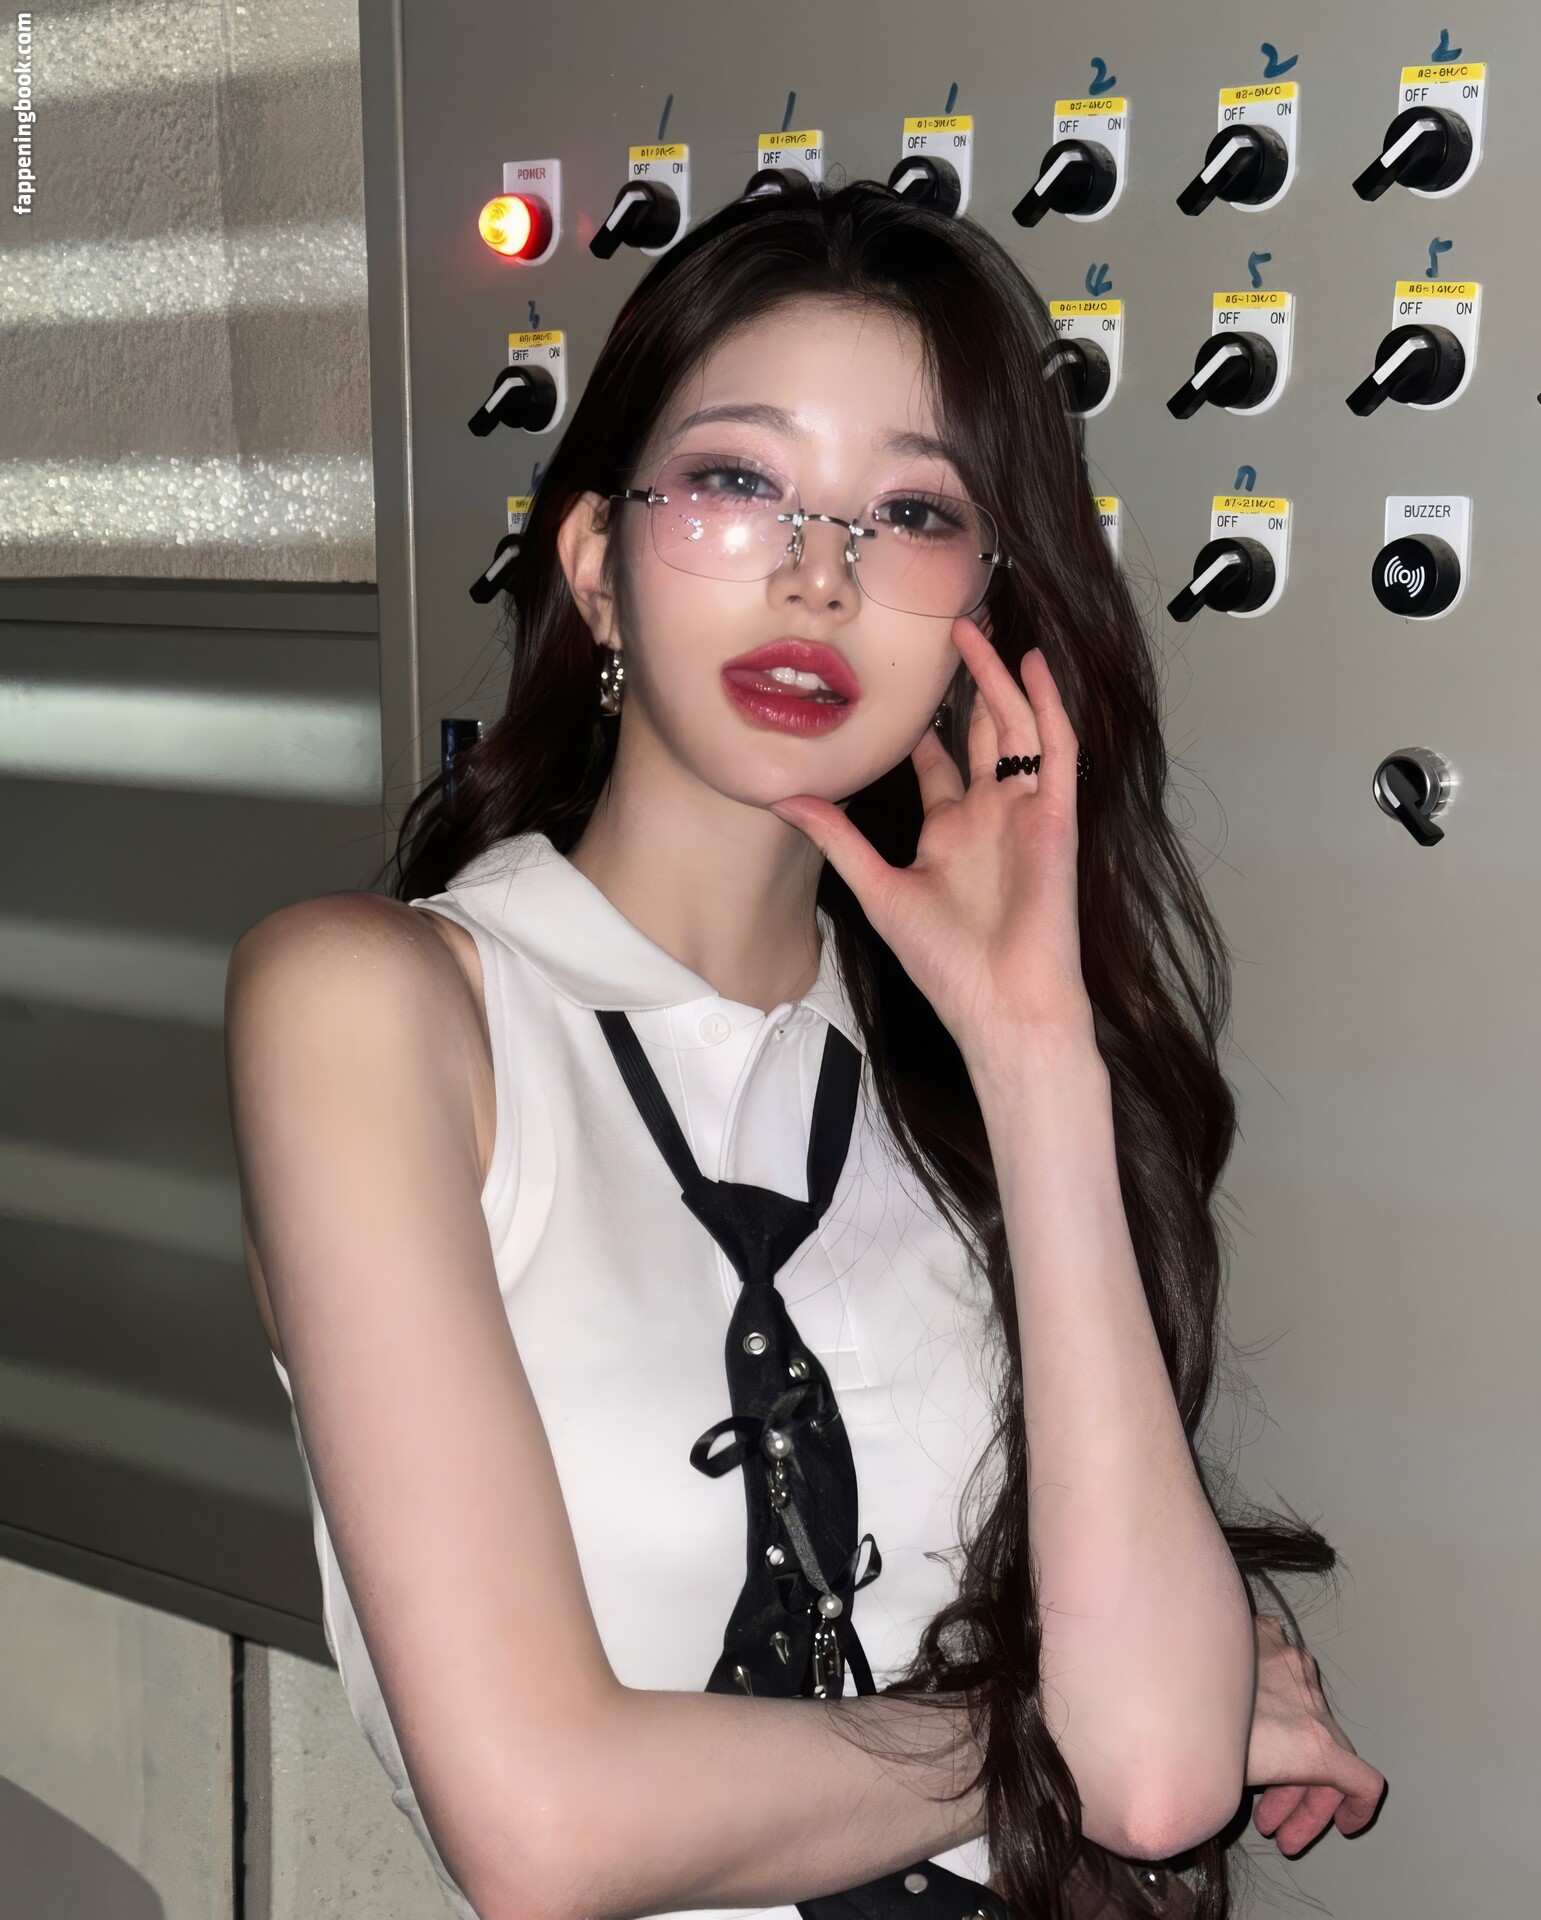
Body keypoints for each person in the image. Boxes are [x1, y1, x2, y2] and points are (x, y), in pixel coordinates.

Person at [223, 180, 1385, 1920]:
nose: (816, 574)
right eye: (735, 481)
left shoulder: (963, 1070)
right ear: (595, 566)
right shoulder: (378, 1003)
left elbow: (1151, 1781)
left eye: (909, 512)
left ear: (983, 607)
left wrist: (1035, 1052)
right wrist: (1031, 1731)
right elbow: (544, 1827)